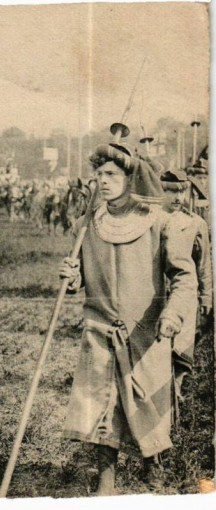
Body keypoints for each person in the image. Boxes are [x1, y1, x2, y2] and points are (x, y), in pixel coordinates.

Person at [58, 145, 197, 495]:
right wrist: (72, 278)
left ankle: (155, 470)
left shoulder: (158, 222)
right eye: (99, 175)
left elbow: (184, 277)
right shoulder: (87, 225)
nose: (102, 181)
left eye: (111, 175)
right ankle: (106, 479)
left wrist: (172, 314)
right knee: (103, 404)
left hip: (146, 333)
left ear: (129, 178)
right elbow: (81, 278)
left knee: (146, 404)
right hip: (100, 330)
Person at [159, 169, 211, 415]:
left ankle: (175, 403)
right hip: (157, 296)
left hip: (185, 297)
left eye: (181, 191)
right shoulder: (153, 221)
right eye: (170, 191)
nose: (176, 197)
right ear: (161, 191)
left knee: (180, 353)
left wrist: (206, 297)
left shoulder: (195, 223)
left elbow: (203, 265)